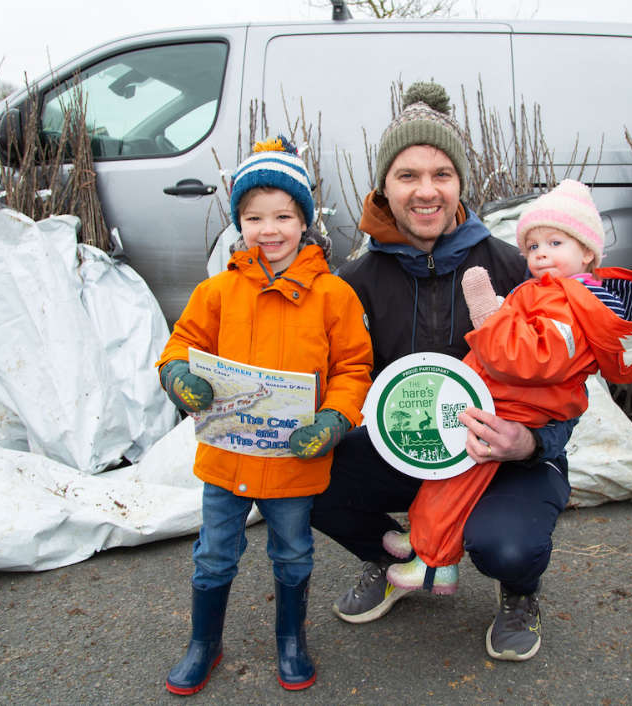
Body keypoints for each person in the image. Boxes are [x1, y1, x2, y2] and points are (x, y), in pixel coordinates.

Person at [310, 80, 579, 662]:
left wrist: (531, 443)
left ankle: (519, 589)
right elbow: (336, 376)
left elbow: (569, 388)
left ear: (461, 184)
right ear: (384, 185)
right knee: (304, 476)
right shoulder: (353, 283)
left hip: (501, 457)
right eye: (407, 175)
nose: (426, 191)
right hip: (411, 449)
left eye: (442, 174)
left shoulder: (514, 269)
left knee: (507, 546)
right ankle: (392, 559)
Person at [156, 137, 372, 694]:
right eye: (254, 217)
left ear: (305, 222)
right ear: (239, 223)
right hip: (226, 457)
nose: (268, 230)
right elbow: (180, 344)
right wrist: (177, 376)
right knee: (213, 555)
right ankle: (204, 643)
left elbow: (353, 368)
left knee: (294, 553)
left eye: (283, 216)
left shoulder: (333, 296)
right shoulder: (217, 291)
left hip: (293, 460)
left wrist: (335, 419)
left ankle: (291, 640)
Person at [382, 179, 632, 598]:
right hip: (504, 398)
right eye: (532, 246)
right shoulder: (552, 293)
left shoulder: (573, 303)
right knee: (445, 470)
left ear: (587, 252)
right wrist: (501, 313)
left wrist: (487, 316)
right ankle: (422, 537)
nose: (540, 253)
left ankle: (435, 563)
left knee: (458, 479)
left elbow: (530, 359)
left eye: (555, 242)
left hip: (516, 407)